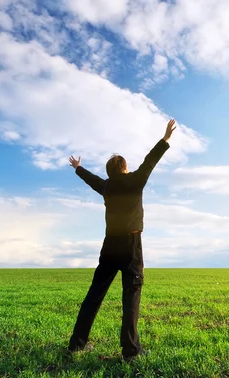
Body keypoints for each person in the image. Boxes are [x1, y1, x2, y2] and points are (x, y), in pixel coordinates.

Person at [67, 119, 176, 361]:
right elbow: (150, 161)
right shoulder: (135, 181)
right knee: (131, 296)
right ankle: (130, 351)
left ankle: (76, 344)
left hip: (109, 247)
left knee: (95, 294)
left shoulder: (106, 187)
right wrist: (165, 139)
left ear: (110, 172)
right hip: (131, 246)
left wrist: (77, 168)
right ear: (125, 168)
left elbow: (92, 179)